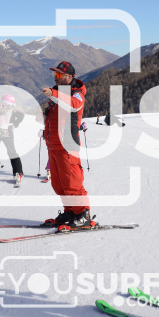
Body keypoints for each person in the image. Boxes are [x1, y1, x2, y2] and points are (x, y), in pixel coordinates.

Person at [41, 61, 93, 228]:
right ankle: (70, 211)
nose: (55, 77)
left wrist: (54, 94)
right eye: (54, 74)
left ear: (70, 77)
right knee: (58, 183)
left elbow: (75, 105)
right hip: (53, 144)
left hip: (67, 144)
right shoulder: (58, 92)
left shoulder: (76, 93)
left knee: (72, 182)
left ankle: (82, 214)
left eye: (59, 74)